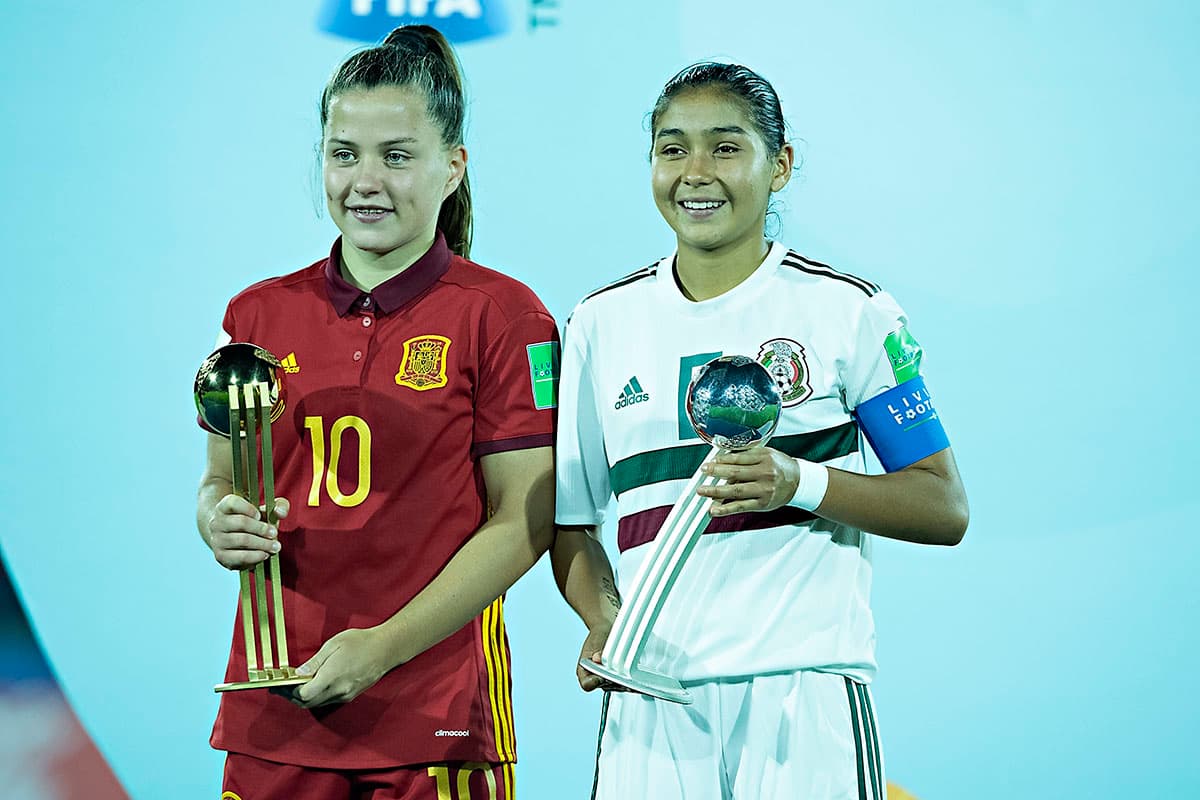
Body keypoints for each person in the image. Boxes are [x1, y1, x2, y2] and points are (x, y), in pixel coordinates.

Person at [551, 61, 969, 800]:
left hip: (802, 687)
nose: (696, 173)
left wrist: (799, 481)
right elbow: (572, 527)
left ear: (780, 166)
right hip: (651, 696)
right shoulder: (598, 325)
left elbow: (942, 506)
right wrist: (605, 618)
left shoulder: (851, 312)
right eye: (672, 148)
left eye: (726, 146)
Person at [195, 25, 557, 800]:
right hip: (273, 711)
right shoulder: (256, 316)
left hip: (433, 718)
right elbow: (223, 482)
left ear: (452, 168)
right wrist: (216, 519)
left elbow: (526, 521)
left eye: (397, 156)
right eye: (343, 153)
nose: (365, 180)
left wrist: (385, 646)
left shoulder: (505, 315)